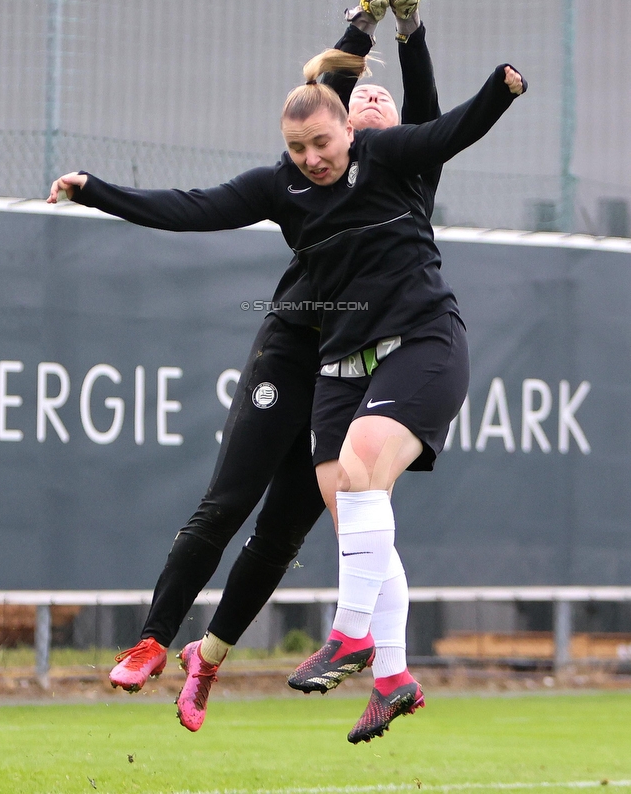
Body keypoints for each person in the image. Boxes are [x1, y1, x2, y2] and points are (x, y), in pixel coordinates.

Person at [48, 42, 526, 741]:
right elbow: (203, 199)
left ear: (376, 134)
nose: (369, 101)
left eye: (378, 105)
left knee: (315, 518)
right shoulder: (294, 173)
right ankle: (166, 640)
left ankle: (283, 654)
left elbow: (435, 121)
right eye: (356, 98)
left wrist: (421, 41)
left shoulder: (397, 161)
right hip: (315, 354)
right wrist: (95, 189)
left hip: (380, 350)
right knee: (266, 503)